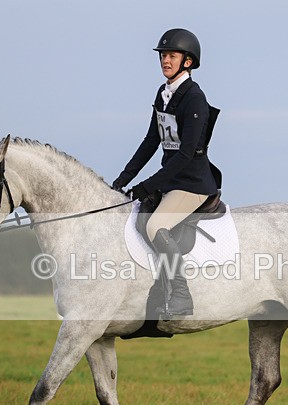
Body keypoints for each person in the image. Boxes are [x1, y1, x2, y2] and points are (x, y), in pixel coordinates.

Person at [113, 28, 220, 317]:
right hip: (172, 180)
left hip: (193, 183)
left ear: (187, 61)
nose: (165, 60)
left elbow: (185, 155)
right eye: (163, 55)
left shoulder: (194, 98)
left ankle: (182, 296)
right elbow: (151, 141)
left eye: (171, 55)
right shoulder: (163, 94)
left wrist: (147, 185)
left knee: (154, 226)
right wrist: (122, 180)